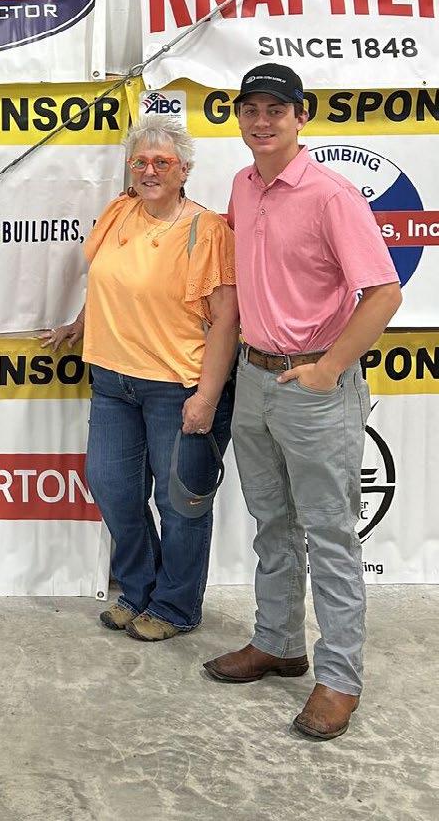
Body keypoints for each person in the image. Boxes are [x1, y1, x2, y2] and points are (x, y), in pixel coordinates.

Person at [203, 64, 402, 740]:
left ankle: (340, 678)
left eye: (276, 110)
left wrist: (330, 368)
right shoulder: (243, 185)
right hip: (254, 377)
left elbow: (384, 293)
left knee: (331, 534)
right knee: (272, 522)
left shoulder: (331, 195)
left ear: (300, 117)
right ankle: (279, 642)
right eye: (251, 109)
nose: (261, 122)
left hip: (313, 387)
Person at [43, 116, 239, 642]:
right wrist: (80, 323)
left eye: (162, 162)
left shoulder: (207, 230)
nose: (149, 171)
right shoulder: (120, 211)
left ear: (184, 170)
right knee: (114, 489)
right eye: (140, 161)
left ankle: (175, 607)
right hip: (112, 379)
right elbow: (109, 280)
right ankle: (138, 590)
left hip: (177, 386)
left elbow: (227, 321)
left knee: (181, 504)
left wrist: (207, 396)